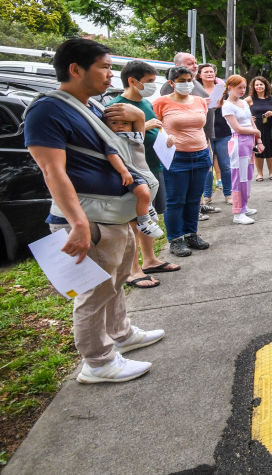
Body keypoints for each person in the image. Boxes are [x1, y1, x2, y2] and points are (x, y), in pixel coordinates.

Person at [25, 38, 164, 384]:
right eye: (103, 66)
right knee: (94, 290)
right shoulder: (48, 110)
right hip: (90, 219)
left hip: (114, 214)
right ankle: (98, 361)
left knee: (115, 282)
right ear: (75, 69)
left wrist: (135, 118)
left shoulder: (87, 106)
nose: (109, 75)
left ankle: (120, 333)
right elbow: (52, 171)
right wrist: (77, 223)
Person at [111, 60, 181, 287]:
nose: (152, 85)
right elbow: (118, 144)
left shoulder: (145, 103)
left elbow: (155, 128)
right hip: (134, 173)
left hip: (152, 167)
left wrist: (165, 137)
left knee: (149, 218)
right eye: (149, 81)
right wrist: (145, 126)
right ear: (133, 81)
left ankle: (150, 259)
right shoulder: (118, 107)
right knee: (133, 221)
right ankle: (133, 270)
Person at [153, 66, 212, 257]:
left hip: (201, 154)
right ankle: (176, 239)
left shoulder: (200, 101)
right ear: (171, 83)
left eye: (189, 80)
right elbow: (155, 126)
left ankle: (191, 234)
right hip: (176, 156)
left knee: (194, 199)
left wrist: (208, 151)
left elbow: (203, 127)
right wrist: (164, 138)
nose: (187, 84)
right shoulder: (161, 102)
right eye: (181, 80)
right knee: (176, 200)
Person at [102, 116, 163, 238]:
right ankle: (144, 221)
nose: (120, 126)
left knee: (150, 187)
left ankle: (148, 207)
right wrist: (124, 171)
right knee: (143, 192)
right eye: (114, 122)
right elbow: (112, 155)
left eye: (125, 122)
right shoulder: (112, 140)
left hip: (139, 169)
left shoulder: (130, 136)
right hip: (129, 172)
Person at [220, 75, 264, 224]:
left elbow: (251, 122)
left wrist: (259, 140)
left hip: (249, 143)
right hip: (238, 143)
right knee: (239, 178)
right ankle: (238, 213)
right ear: (229, 88)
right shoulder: (227, 106)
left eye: (244, 87)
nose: (242, 90)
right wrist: (255, 133)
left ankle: (244, 206)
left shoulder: (244, 103)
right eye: (239, 87)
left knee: (248, 176)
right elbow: (238, 128)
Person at [198, 63, 230, 212]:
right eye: (206, 72)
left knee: (225, 165)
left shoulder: (222, 89)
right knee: (207, 166)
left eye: (212, 71)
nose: (210, 74)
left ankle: (228, 194)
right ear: (200, 75)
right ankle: (207, 196)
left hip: (222, 130)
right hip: (204, 132)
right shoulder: (196, 90)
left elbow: (225, 106)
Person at [247, 76, 272, 180]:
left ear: (265, 85)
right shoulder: (250, 99)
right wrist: (248, 118)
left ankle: (271, 172)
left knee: (271, 150)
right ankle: (259, 174)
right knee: (258, 151)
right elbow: (239, 109)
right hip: (256, 128)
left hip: (270, 127)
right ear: (253, 87)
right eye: (257, 85)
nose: (259, 86)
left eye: (261, 84)